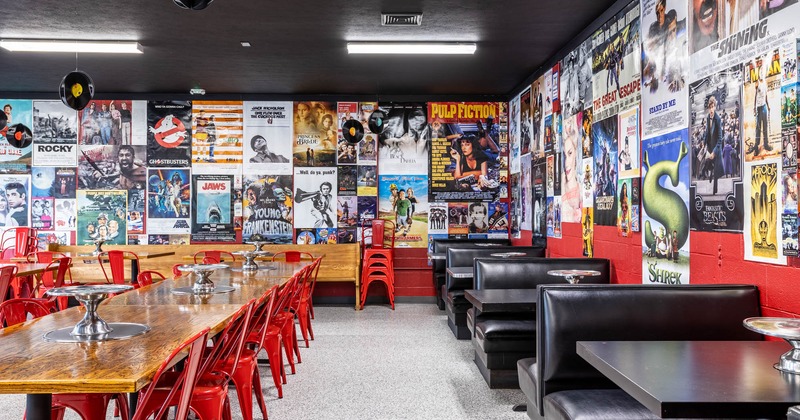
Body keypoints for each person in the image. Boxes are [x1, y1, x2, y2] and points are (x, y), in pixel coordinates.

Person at [703, 96, 724, 195]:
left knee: (716, 171)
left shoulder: (718, 119)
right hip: (710, 145)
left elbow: (720, 138)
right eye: (710, 107)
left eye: (713, 107)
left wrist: (715, 152)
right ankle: (709, 173)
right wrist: (704, 142)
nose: (711, 109)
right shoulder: (708, 118)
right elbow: (707, 131)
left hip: (716, 148)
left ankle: (714, 191)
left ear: (715, 107)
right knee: (706, 163)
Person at [752, 62, 772, 157]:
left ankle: (766, 144)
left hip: (764, 107)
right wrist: (754, 107)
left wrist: (768, 105)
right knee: (758, 128)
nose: (762, 74)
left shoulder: (765, 83)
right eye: (761, 72)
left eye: (763, 72)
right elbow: (755, 96)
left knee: (765, 127)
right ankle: (756, 147)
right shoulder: (757, 83)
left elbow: (766, 95)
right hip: (759, 108)